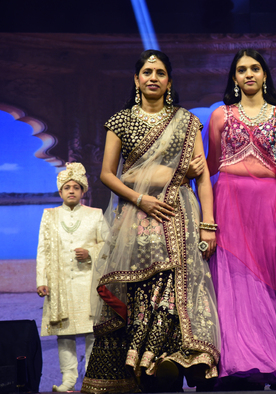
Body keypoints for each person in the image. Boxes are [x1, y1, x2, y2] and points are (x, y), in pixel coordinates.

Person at [81, 50, 219, 394]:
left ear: (169, 81)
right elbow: (108, 175)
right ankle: (142, 364)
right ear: (136, 79)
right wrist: (142, 197)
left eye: (160, 72)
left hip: (180, 214)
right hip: (137, 215)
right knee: (143, 285)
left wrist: (209, 223)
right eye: (147, 72)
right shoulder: (121, 121)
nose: (153, 77)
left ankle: (173, 360)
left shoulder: (187, 122)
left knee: (179, 285)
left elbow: (201, 176)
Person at [206, 49, 276, 390]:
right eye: (242, 70)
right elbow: (209, 169)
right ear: (234, 78)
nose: (249, 74)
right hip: (229, 199)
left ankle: (271, 360)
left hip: (269, 202)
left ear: (265, 75)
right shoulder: (220, 116)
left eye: (255, 68)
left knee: (269, 281)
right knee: (231, 279)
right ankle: (234, 360)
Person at [36, 162, 105, 392]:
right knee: (64, 333)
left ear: (83, 191)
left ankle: (92, 376)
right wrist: (42, 281)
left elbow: (107, 246)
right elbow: (43, 249)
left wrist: (91, 253)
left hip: (88, 282)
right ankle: (68, 380)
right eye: (67, 187)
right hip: (60, 282)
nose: (72, 190)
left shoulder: (95, 215)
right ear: (60, 192)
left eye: (76, 187)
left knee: (91, 331)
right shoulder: (49, 215)